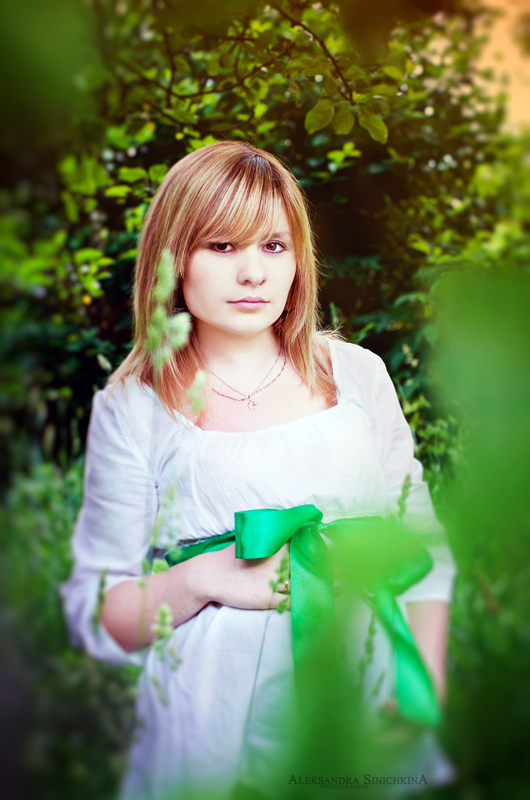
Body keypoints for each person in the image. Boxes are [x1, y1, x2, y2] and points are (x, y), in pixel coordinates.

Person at [61, 141, 456, 800]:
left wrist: (426, 682)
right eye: (222, 246)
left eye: (273, 246)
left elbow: (419, 539)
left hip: (363, 697)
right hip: (210, 728)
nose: (252, 273)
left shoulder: (356, 373)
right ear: (173, 258)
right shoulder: (135, 406)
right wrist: (201, 577)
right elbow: (100, 611)